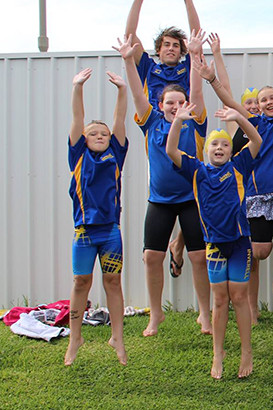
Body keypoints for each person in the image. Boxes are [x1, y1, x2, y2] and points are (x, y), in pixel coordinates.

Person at [197, 49, 273, 324]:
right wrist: (211, 80)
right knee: (259, 253)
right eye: (263, 100)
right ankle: (252, 309)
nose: (268, 102)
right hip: (258, 198)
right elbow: (229, 99)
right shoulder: (253, 123)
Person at [114, 32, 211, 337]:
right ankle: (156, 316)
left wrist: (195, 56)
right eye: (170, 102)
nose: (176, 106)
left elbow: (196, 88)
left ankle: (204, 315)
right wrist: (129, 60)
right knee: (151, 257)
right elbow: (136, 92)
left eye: (180, 102)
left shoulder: (195, 121)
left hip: (191, 200)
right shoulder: (152, 121)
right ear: (161, 104)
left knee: (198, 257)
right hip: (160, 201)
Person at [166, 101, 262, 379]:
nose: (219, 149)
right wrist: (179, 121)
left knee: (240, 297)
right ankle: (217, 354)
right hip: (215, 245)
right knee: (220, 301)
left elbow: (256, 139)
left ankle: (246, 351)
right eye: (214, 146)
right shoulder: (197, 171)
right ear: (206, 151)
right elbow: (171, 150)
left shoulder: (240, 166)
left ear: (231, 151)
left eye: (224, 146)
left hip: (241, 242)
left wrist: (239, 118)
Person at [124, 0, 202, 284]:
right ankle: (174, 242)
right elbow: (130, 39)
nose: (171, 48)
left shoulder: (187, 67)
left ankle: (180, 242)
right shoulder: (148, 68)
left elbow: (196, 35)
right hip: (157, 134)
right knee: (167, 184)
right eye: (166, 44)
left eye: (175, 45)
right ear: (158, 49)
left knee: (195, 189)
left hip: (189, 134)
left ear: (181, 51)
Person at [65, 68, 129, 366]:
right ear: (84, 139)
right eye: (94, 134)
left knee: (112, 281)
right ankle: (75, 337)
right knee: (81, 281)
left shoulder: (115, 152)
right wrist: (77, 87)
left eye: (103, 133)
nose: (100, 136)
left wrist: (122, 91)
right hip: (84, 232)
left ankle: (117, 337)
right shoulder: (78, 155)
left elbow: (119, 122)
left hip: (110, 232)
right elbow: (78, 120)